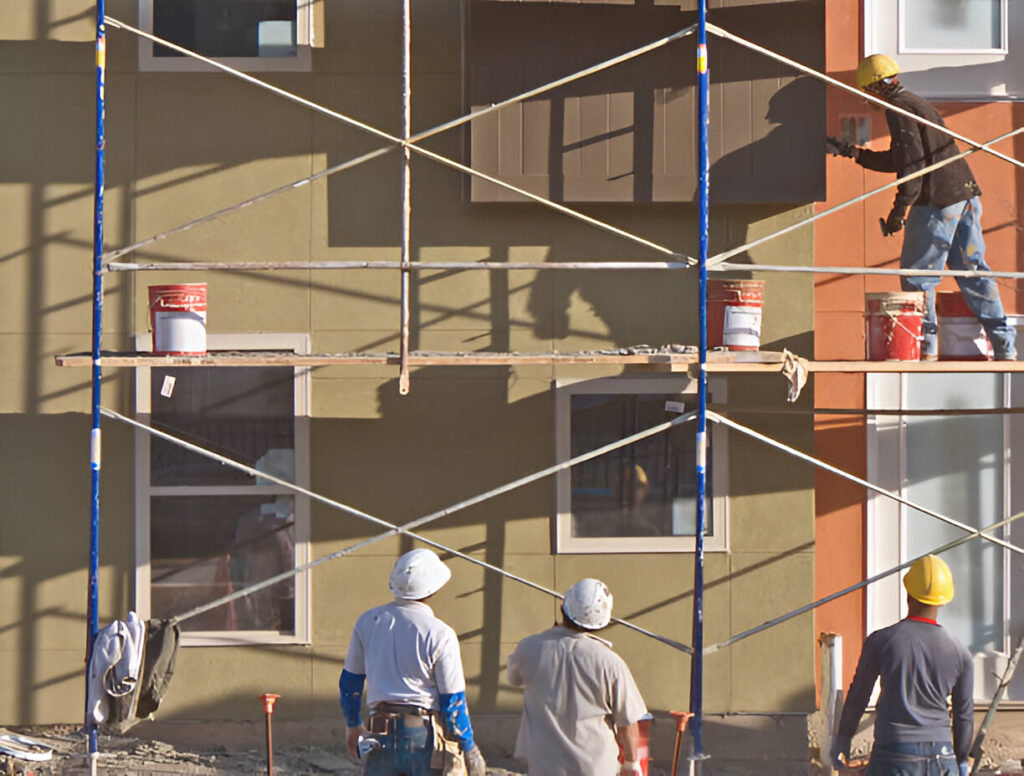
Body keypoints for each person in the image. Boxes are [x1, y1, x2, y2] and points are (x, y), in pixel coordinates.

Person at [828, 53, 1016, 361]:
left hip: (938, 201)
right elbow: (904, 158)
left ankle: (924, 347)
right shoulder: (917, 103)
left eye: (866, 94)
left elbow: (912, 166)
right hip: (964, 194)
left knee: (918, 276)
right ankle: (1006, 346)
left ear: (873, 88)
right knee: (973, 271)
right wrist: (857, 154)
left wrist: (899, 210)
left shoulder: (898, 109)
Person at [339, 548, 486, 776]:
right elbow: (452, 703)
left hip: (379, 731)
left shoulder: (368, 622)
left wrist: (353, 725)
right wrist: (469, 748)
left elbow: (350, 683)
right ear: (434, 589)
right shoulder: (440, 633)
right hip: (423, 736)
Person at [831, 555, 973, 776]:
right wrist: (961, 760)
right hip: (943, 757)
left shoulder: (881, 641)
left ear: (908, 595)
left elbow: (860, 694)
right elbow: (964, 715)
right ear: (943, 600)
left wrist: (843, 736)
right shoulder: (961, 652)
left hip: (894, 753)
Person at [507, 578, 648, 776]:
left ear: (563, 608)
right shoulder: (610, 662)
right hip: (596, 768)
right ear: (603, 622)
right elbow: (628, 722)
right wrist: (632, 765)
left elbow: (514, 679)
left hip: (545, 766)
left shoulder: (529, 648)